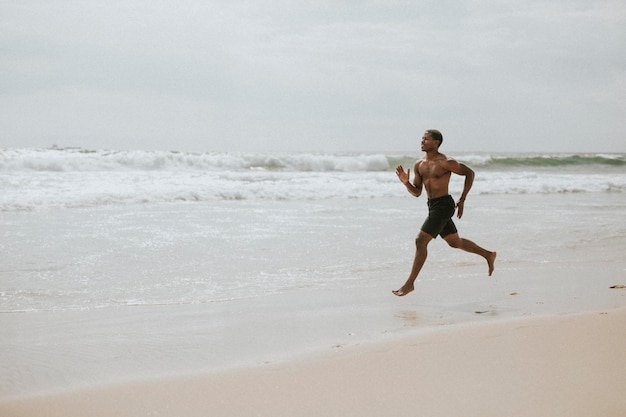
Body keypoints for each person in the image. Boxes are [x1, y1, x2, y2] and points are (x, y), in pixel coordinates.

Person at [392, 129, 496, 296]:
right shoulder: (419, 165)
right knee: (455, 242)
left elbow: (469, 173)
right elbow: (417, 192)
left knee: (420, 241)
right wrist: (405, 183)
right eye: (422, 138)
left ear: (436, 142)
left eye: (426, 139)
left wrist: (462, 199)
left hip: (444, 206)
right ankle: (488, 255)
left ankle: (410, 283)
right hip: (432, 205)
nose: (422, 141)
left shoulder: (445, 162)